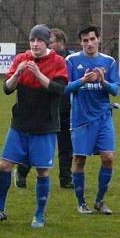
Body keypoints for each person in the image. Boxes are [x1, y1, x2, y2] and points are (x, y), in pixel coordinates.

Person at [0, 24, 68, 228]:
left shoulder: (58, 62)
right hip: (20, 124)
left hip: (44, 125)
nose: (35, 44)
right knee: (4, 165)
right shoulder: (21, 59)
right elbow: (6, 88)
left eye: (39, 40)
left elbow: (60, 90)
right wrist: (17, 75)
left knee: (41, 171)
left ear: (47, 42)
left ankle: (39, 214)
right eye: (32, 40)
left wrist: (38, 74)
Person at [64, 24, 120, 215]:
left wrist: (103, 81)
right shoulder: (72, 61)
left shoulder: (109, 62)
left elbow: (115, 90)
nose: (89, 43)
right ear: (81, 42)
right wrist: (83, 81)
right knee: (79, 160)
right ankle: (81, 202)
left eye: (92, 39)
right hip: (80, 118)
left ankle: (99, 201)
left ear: (98, 39)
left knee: (108, 157)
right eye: (85, 40)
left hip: (103, 117)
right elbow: (64, 89)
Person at [15, 27, 74, 189]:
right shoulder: (42, 59)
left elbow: (66, 84)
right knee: (32, 147)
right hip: (43, 111)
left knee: (66, 145)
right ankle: (22, 171)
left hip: (66, 108)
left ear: (60, 43)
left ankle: (65, 177)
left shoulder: (70, 59)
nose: (46, 45)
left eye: (50, 42)